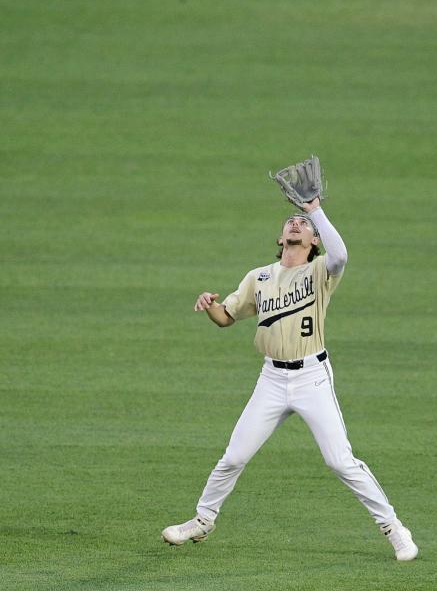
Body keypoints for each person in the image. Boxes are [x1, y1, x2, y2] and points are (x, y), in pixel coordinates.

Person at [161, 197, 418, 561]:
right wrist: (209, 305)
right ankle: (203, 519)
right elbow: (226, 318)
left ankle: (394, 528)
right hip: (271, 379)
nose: (295, 225)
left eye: (304, 225)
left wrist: (316, 211)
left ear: (314, 240)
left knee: (340, 461)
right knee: (234, 456)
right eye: (291, 222)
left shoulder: (320, 273)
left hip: (312, 376)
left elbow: (341, 256)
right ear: (280, 238)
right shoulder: (259, 277)